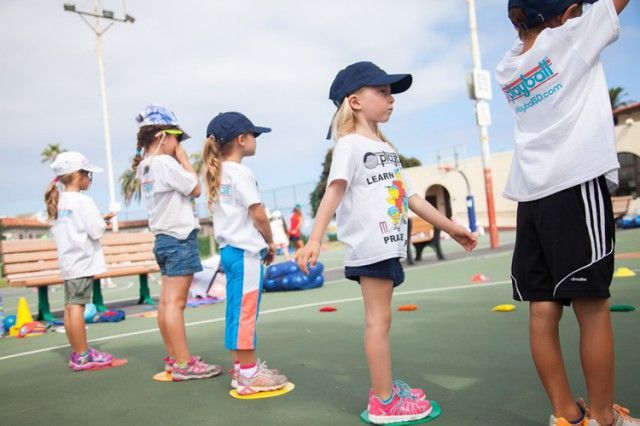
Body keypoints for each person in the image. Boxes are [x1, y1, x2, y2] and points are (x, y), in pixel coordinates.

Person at [296, 61, 477, 424]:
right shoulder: (348, 145)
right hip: (370, 243)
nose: (391, 99)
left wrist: (451, 227)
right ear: (355, 101)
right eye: (382, 92)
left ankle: (385, 387)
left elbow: (411, 197)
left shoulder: (385, 146)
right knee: (377, 321)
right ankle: (383, 401)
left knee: (383, 319)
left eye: (391, 93)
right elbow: (334, 190)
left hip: (389, 244)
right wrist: (314, 238)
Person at [495, 1, 636, 425]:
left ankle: (565, 415)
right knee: (592, 305)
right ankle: (603, 419)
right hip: (575, 185)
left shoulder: (509, 65)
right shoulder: (572, 36)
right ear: (570, 11)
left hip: (532, 195)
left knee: (543, 308)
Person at [133, 104, 222, 381]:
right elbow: (195, 188)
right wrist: (183, 159)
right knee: (175, 304)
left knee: (166, 303)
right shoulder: (164, 163)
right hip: (179, 238)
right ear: (162, 136)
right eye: (177, 138)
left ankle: (175, 358)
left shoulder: (144, 166)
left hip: (163, 238)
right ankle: (184, 363)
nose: (178, 144)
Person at [203, 111, 288, 395]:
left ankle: (241, 370)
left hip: (230, 251)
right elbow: (258, 214)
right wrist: (270, 242)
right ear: (241, 139)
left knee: (236, 312)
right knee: (246, 313)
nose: (255, 139)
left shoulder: (218, 173)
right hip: (246, 253)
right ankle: (250, 375)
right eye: (253, 135)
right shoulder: (241, 172)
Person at [45, 151, 117, 371]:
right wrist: (102, 221)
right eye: (88, 174)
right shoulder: (83, 201)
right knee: (77, 306)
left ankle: (79, 352)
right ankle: (82, 355)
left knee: (70, 307)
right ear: (77, 176)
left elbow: (74, 226)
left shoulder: (59, 201)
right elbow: (95, 231)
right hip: (82, 260)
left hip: (69, 261)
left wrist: (97, 220)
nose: (89, 179)